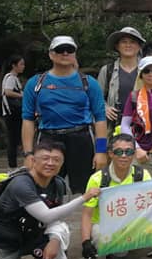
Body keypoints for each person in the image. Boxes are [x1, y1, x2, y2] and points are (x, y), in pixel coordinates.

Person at [22, 36, 108, 193]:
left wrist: (101, 151)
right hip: (48, 139)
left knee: (88, 191)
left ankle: (85, 219)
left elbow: (100, 119)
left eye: (70, 50)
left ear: (75, 54)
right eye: (60, 50)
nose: (65, 53)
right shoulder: (36, 83)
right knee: (44, 189)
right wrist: (28, 154)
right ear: (51, 54)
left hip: (81, 139)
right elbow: (27, 120)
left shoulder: (89, 83)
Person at [79, 134, 152, 259]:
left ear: (134, 154)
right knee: (97, 237)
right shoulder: (98, 179)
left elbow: (150, 206)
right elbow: (87, 214)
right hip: (103, 226)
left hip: (130, 226)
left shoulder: (142, 176)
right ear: (110, 154)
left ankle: (120, 258)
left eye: (128, 152)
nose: (124, 156)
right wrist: (85, 241)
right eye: (119, 152)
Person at [98, 26, 145, 132]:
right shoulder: (107, 71)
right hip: (113, 127)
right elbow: (97, 98)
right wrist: (105, 108)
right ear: (117, 46)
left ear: (139, 46)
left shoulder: (148, 70)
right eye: (124, 42)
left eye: (132, 42)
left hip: (143, 126)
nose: (128, 45)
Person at [1, 55, 25, 169]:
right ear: (13, 65)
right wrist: (22, 95)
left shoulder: (15, 78)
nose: (23, 67)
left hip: (15, 112)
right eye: (21, 64)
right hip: (11, 113)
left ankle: (14, 164)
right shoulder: (10, 78)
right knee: (13, 139)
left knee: (16, 139)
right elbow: (8, 92)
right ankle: (12, 165)